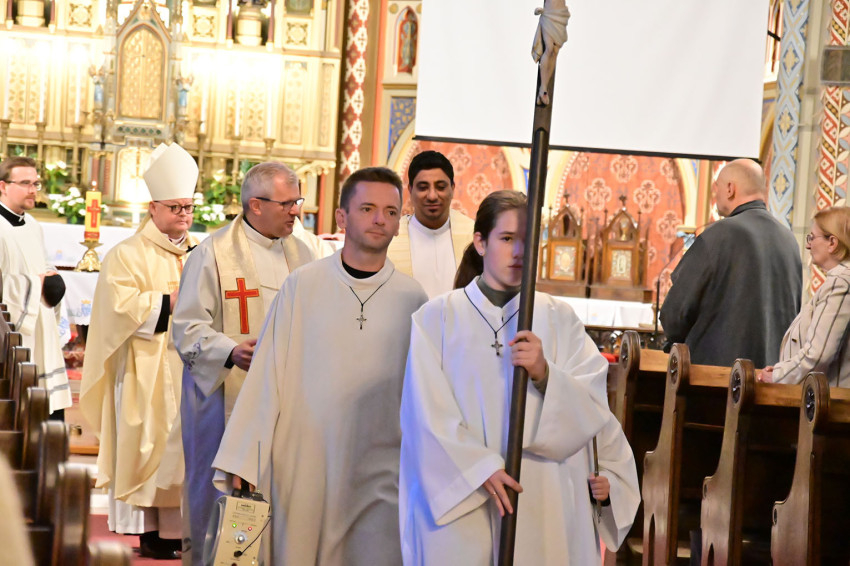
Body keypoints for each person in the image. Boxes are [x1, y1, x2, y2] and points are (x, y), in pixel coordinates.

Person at [399, 190, 630, 565]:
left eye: (527, 240)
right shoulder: (436, 318)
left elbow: (592, 408)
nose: (519, 252)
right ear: (480, 242)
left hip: (541, 497)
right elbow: (424, 413)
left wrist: (545, 374)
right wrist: (479, 467)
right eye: (507, 239)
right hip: (464, 495)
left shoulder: (560, 319)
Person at [211, 167, 428, 565]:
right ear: (342, 217)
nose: (380, 219)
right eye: (367, 208)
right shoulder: (303, 285)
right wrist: (246, 457)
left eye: (391, 211)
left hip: (380, 466)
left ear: (400, 222)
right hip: (303, 463)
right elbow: (267, 376)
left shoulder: (413, 299)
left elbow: (424, 394)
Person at [172, 161, 331, 565]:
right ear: (256, 205)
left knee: (281, 488)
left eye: (297, 202)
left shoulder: (307, 252)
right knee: (219, 493)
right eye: (287, 203)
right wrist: (230, 351)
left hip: (288, 402)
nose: (296, 211)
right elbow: (187, 327)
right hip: (224, 400)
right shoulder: (212, 254)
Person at [79, 143, 199, 559]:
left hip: (191, 367)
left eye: (188, 207)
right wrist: (169, 302)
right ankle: (150, 532)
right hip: (143, 367)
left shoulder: (202, 254)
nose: (183, 214)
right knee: (149, 445)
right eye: (175, 207)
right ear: (153, 208)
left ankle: (179, 532)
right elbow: (117, 309)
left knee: (186, 448)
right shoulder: (126, 254)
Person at [660, 159, 802, 368]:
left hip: (716, 375)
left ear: (730, 189)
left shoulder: (718, 235)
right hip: (773, 374)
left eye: (716, 187)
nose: (715, 194)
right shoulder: (789, 240)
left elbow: (675, 314)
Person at [0, 156, 71, 417]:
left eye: (35, 183)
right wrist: (37, 284)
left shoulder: (32, 225)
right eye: (25, 183)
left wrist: (50, 281)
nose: (33, 190)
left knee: (45, 409)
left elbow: (41, 265)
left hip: (40, 328)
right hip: (10, 337)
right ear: (3, 186)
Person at [759, 206, 850, 386]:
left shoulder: (841, 282)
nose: (808, 245)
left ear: (832, 243)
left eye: (812, 238)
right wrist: (782, 369)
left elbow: (818, 354)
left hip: (828, 399)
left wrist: (779, 376)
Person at [386, 150, 474, 298]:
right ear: (410, 190)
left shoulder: (472, 236)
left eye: (440, 187)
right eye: (423, 187)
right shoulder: (390, 238)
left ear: (452, 189)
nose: (432, 196)